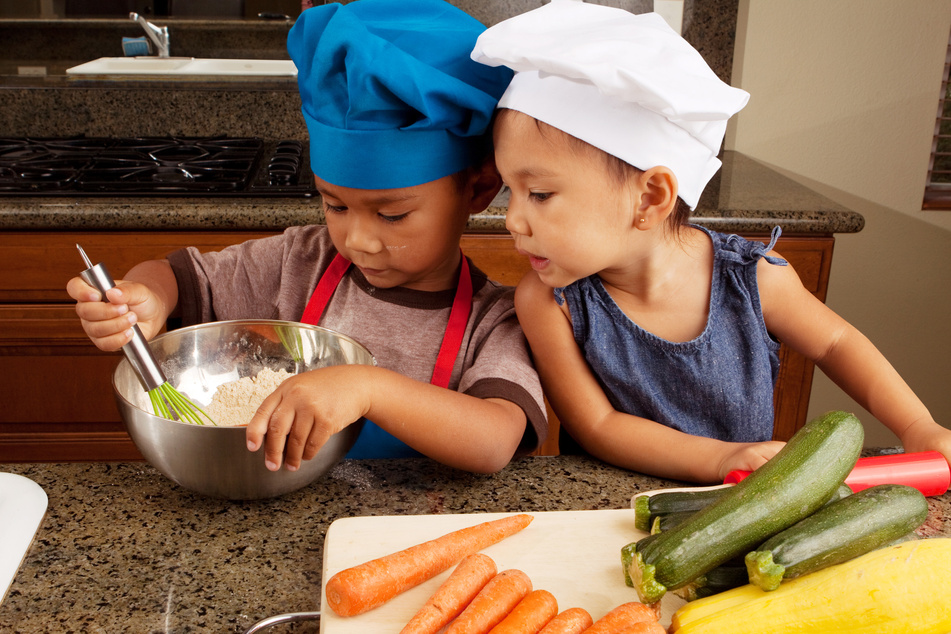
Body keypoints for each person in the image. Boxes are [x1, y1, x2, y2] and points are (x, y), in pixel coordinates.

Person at [471, 0, 951, 483]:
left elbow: (836, 344)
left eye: (539, 193)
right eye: (511, 192)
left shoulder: (753, 278)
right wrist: (719, 460)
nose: (512, 220)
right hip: (609, 510)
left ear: (651, 198)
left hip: (741, 505)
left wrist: (917, 426)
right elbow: (598, 425)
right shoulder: (549, 302)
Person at [66, 0, 547, 475]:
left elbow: (493, 441)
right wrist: (144, 298)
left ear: (478, 189)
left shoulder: (495, 320)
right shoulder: (298, 263)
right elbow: (178, 275)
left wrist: (367, 389)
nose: (356, 240)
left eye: (392, 215)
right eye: (335, 205)